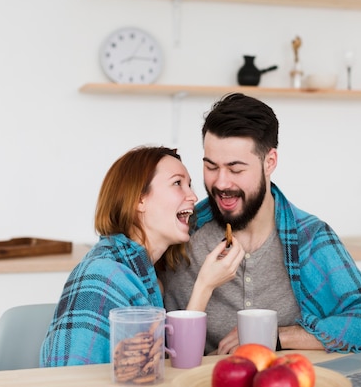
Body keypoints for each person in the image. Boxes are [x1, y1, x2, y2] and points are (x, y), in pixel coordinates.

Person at [161, 93, 361, 355]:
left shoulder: (309, 237)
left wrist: (275, 336)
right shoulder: (180, 233)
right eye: (211, 167)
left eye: (236, 169)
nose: (221, 183)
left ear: (269, 162)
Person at [40, 146, 244, 367]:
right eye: (177, 183)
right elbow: (72, 378)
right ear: (139, 200)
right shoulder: (103, 276)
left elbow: (156, 368)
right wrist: (205, 285)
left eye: (189, 185)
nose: (193, 196)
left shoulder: (151, 278)